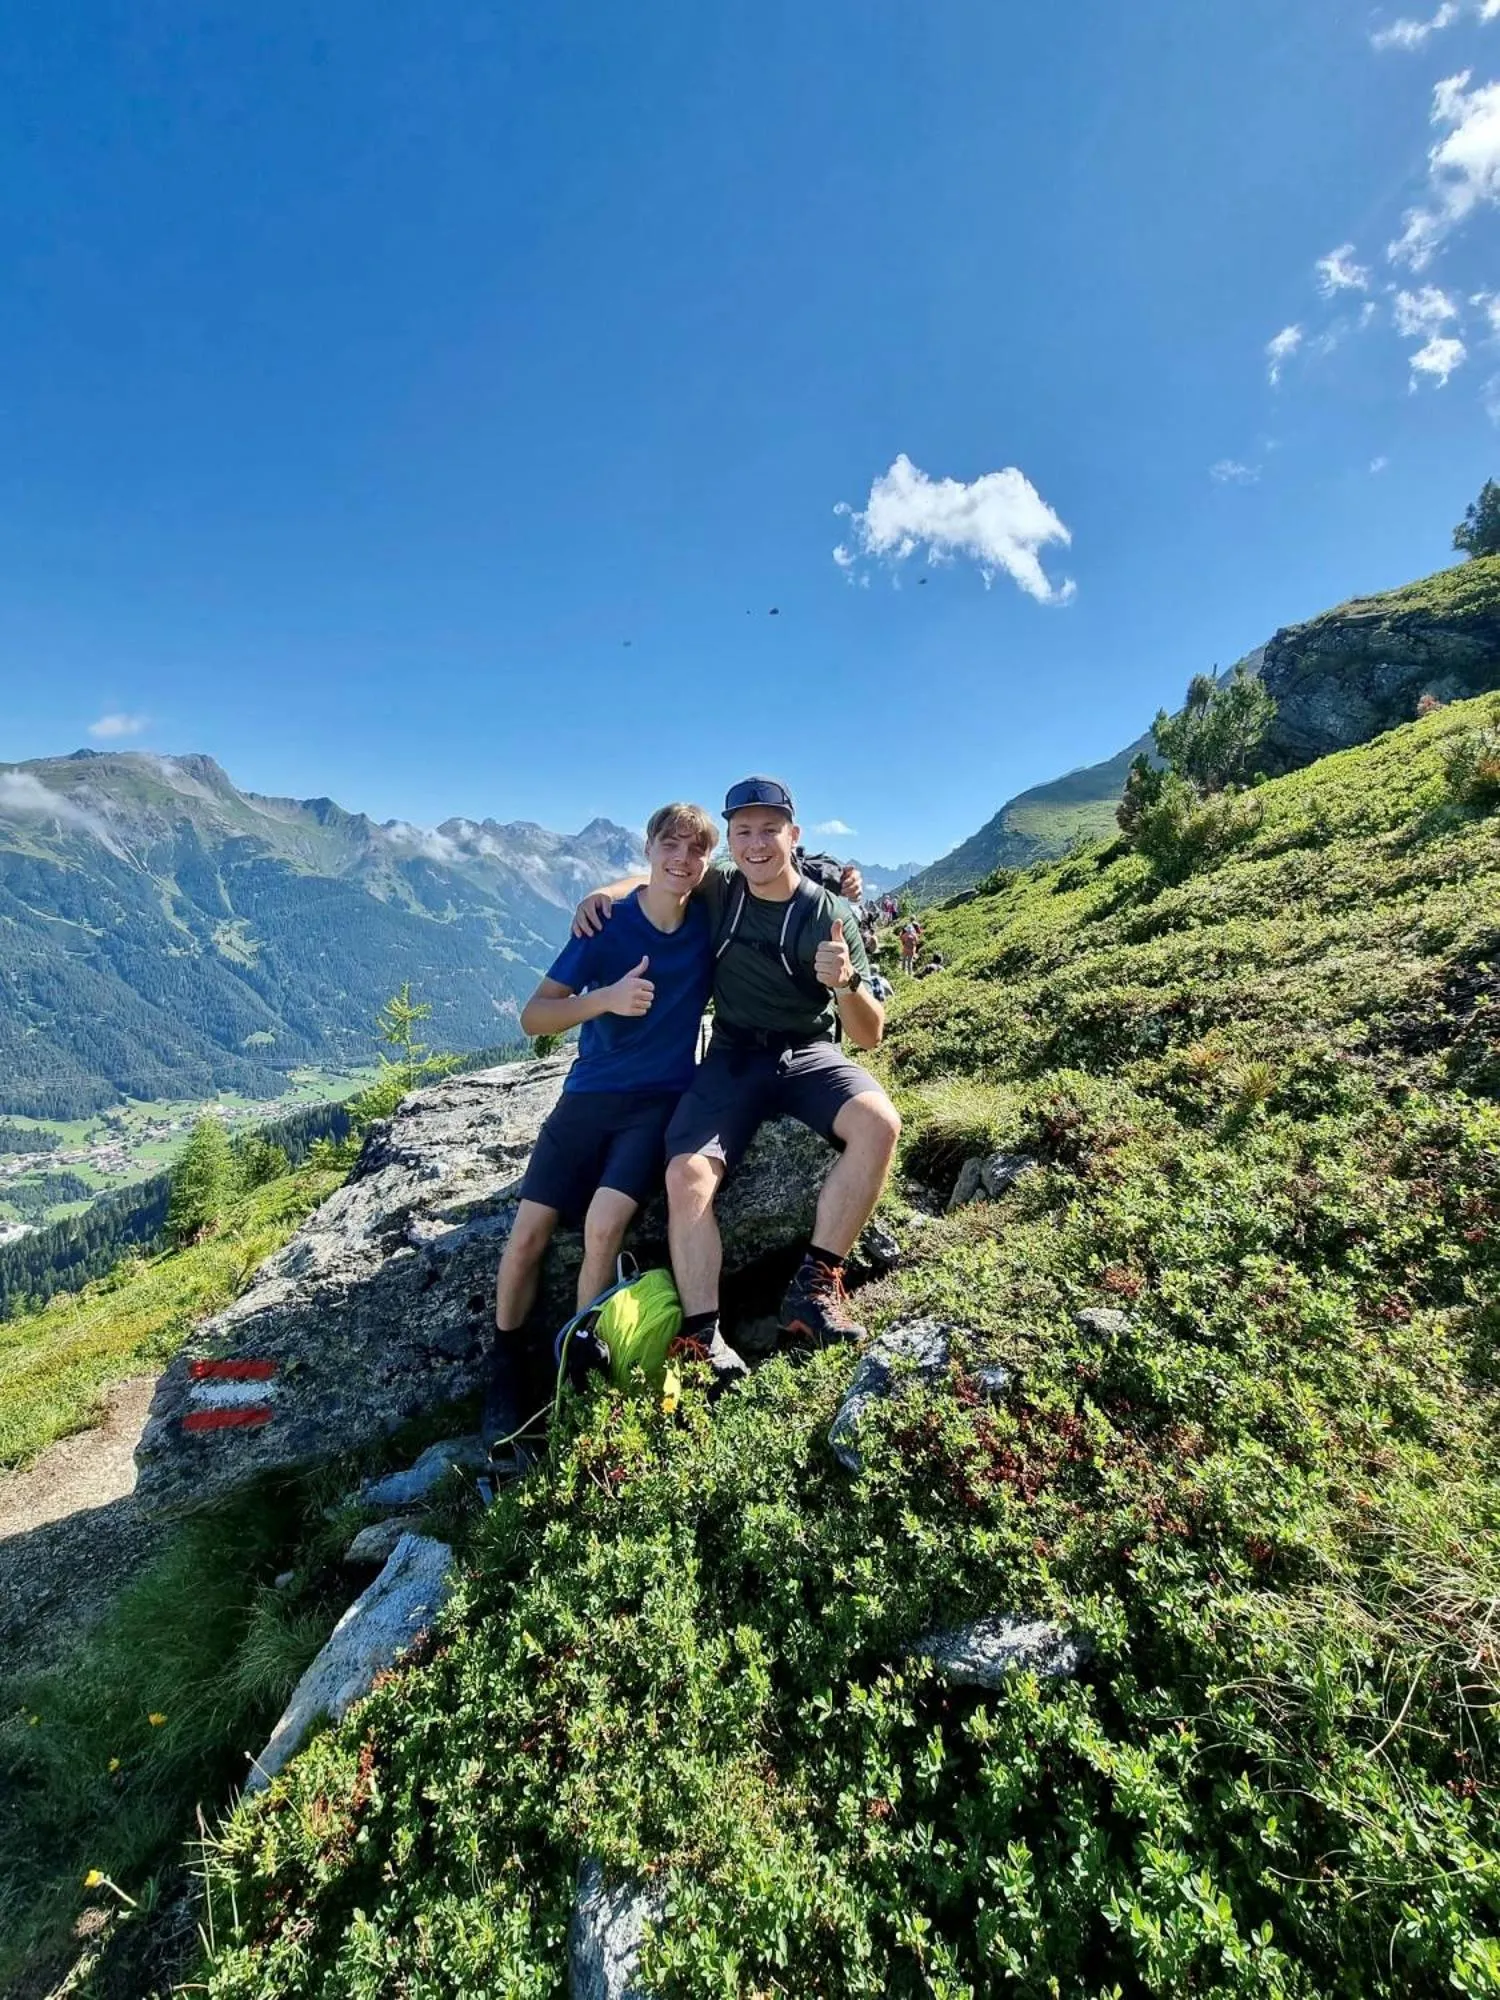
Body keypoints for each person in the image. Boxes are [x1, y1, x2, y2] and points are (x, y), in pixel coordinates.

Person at [576, 775, 901, 1367]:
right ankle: (703, 1337)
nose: (755, 844)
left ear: (793, 836)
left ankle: (815, 1287)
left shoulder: (827, 913)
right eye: (743, 831)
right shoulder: (721, 888)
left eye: (769, 830)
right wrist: (601, 893)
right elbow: (663, 878)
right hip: (732, 1055)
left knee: (879, 1123)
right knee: (686, 1175)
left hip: (806, 1052)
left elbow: (869, 1035)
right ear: (729, 840)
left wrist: (847, 982)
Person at [484, 801, 720, 1451]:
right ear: (648, 848)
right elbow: (535, 1016)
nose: (682, 859)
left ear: (707, 861)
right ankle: (506, 1367)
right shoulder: (606, 925)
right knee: (527, 1236)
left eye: (696, 850)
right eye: (670, 845)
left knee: (603, 1226)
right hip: (586, 1099)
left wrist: (846, 888)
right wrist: (606, 1000)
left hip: (656, 1107)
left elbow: (773, 874)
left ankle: (576, 1376)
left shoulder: (707, 921)